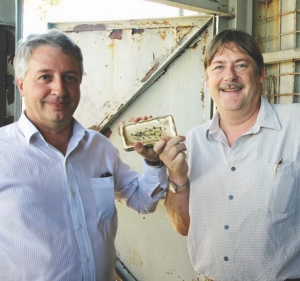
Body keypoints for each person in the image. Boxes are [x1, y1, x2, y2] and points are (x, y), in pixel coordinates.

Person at [0, 29, 169, 281]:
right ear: (22, 85)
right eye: (45, 77)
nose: (59, 89)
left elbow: (142, 200)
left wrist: (154, 160)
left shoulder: (98, 147)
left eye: (69, 77)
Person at [155, 29, 300, 281]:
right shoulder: (193, 142)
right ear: (206, 79)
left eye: (241, 65)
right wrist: (176, 176)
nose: (229, 76)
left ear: (261, 74)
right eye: (219, 67)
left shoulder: (295, 125)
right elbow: (183, 226)